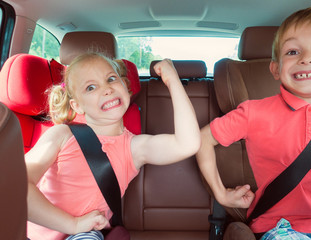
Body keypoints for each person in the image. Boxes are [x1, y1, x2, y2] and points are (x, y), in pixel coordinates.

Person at [196, 7, 311, 240]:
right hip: (282, 228)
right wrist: (221, 194)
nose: (307, 58)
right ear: (275, 69)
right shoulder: (254, 112)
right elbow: (202, 139)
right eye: (293, 51)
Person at [26, 53, 201, 240]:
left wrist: (172, 79)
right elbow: (15, 184)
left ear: (125, 86)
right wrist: (73, 224)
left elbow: (187, 144)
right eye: (91, 87)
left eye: (111, 79)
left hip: (85, 235)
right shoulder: (62, 135)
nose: (107, 89)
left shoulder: (133, 148)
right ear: (77, 106)